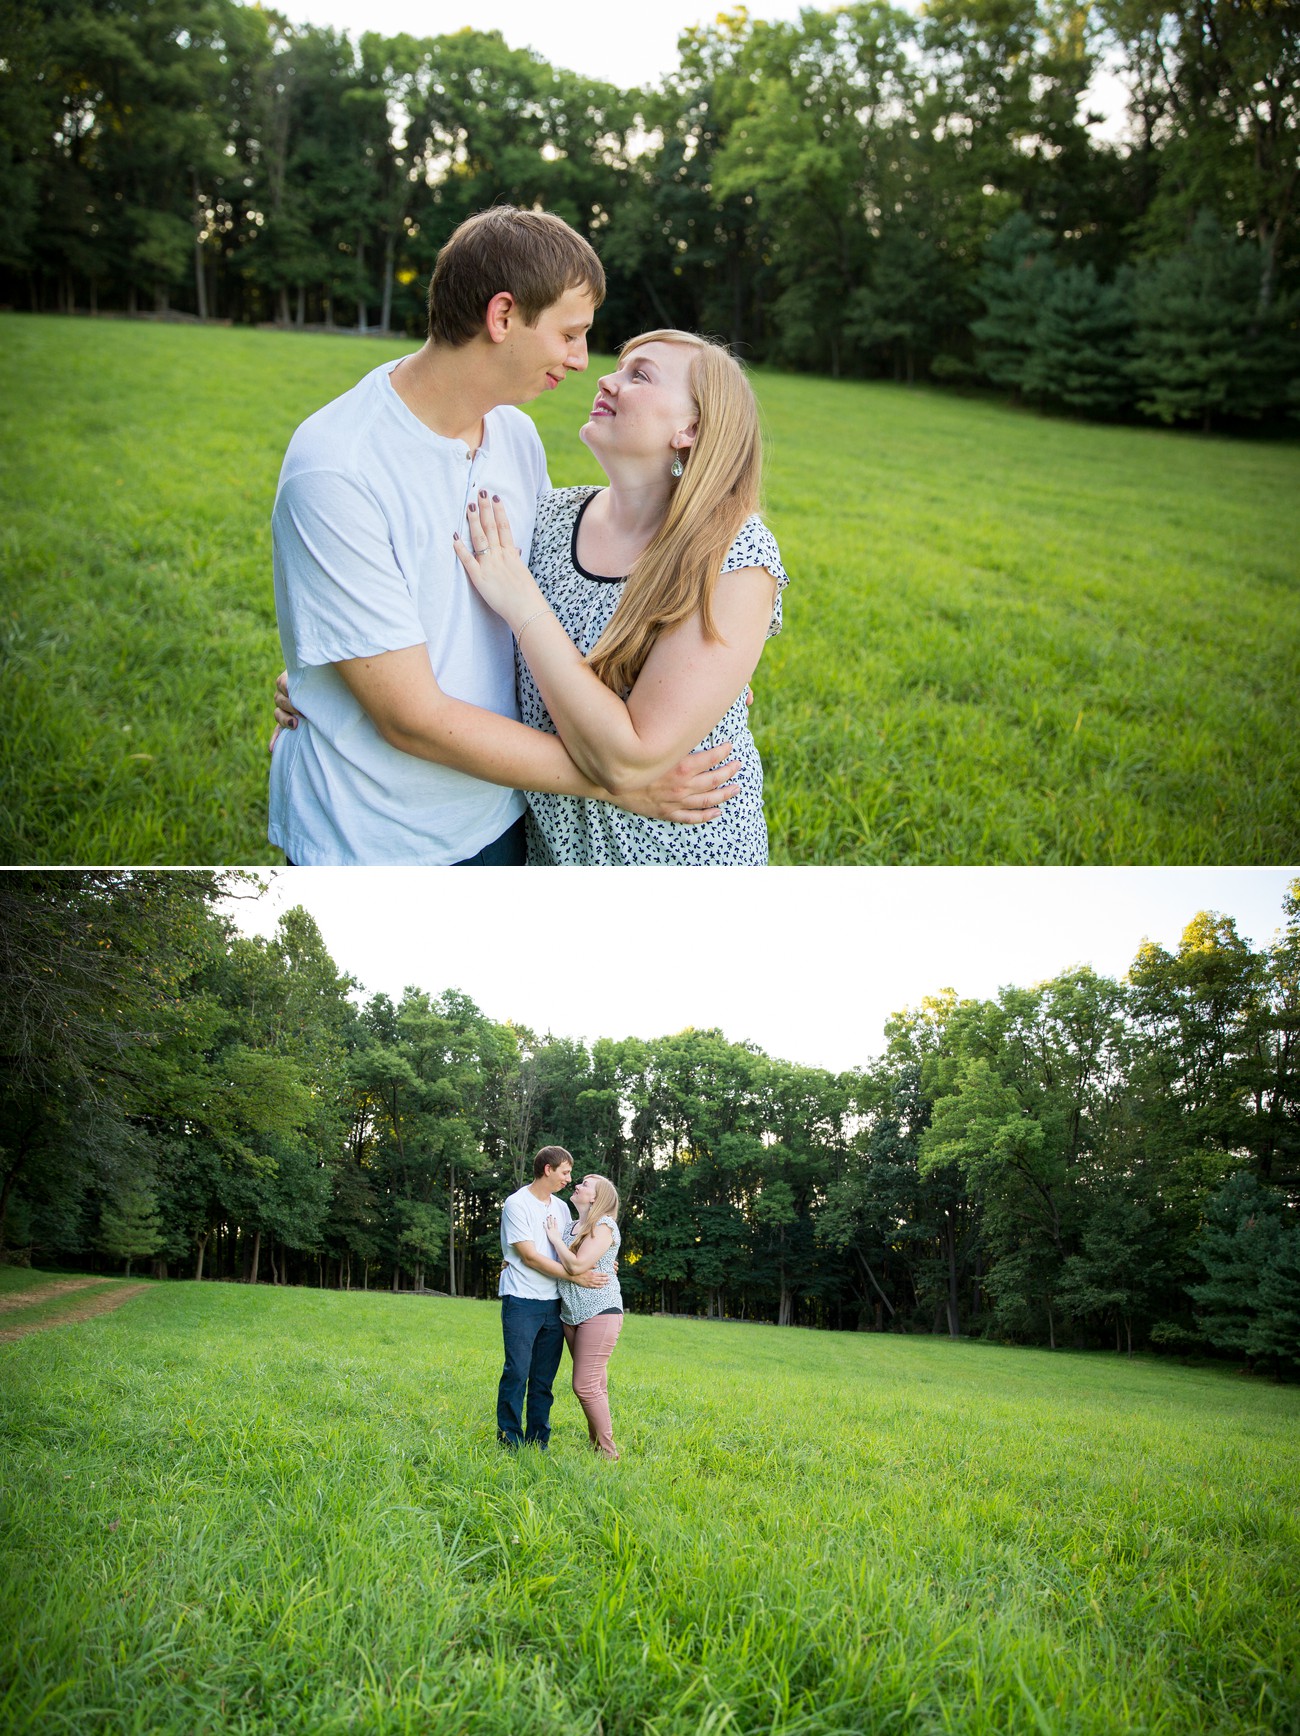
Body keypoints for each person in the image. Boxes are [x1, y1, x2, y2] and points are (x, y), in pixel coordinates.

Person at [267, 206, 739, 866]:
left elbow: (546, 601)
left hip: (509, 809)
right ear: (503, 317)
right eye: (571, 335)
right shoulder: (338, 466)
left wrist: (698, 673)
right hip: (379, 839)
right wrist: (619, 781)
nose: (582, 362)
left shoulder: (512, 434)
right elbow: (409, 717)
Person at [452, 328, 789, 864]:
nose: (606, 378)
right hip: (555, 855)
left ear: (691, 429)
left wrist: (525, 606)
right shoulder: (552, 516)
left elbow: (629, 759)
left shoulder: (734, 553)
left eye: (641, 375)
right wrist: (346, 674)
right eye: (620, 366)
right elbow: (460, 624)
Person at [497, 1145, 608, 1450]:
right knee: (518, 1371)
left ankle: (538, 1441)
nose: (569, 1179)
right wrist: (575, 1276)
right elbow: (531, 1258)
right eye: (565, 1172)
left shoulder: (560, 1208)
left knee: (543, 1378)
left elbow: (575, 1246)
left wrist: (604, 1259)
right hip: (521, 1300)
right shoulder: (517, 1203)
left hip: (554, 1304)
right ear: (548, 1169)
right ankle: (509, 1439)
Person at [545, 1173, 624, 1460]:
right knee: (595, 1385)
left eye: (586, 1184)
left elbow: (576, 1264)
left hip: (600, 1311)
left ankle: (607, 1453)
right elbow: (552, 1261)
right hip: (571, 1314)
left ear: (595, 1198)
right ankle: (596, 1447)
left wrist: (554, 1239)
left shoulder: (604, 1224)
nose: (577, 1185)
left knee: (584, 1385)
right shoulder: (569, 1227)